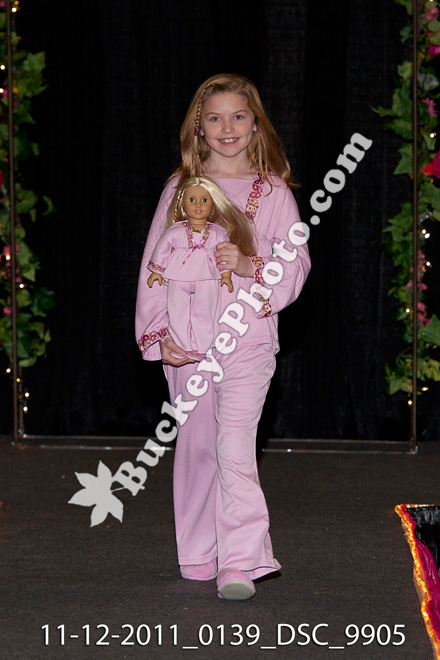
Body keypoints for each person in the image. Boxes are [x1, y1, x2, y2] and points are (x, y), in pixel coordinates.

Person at [135, 73, 311, 600]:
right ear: (199, 126)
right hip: (188, 344)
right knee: (196, 450)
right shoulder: (180, 190)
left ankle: (239, 562)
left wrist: (251, 263)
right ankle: (198, 555)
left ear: (255, 124)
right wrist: (156, 335)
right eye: (215, 117)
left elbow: (296, 263)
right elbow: (153, 269)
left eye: (238, 116)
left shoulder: (272, 191)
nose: (227, 127)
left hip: (247, 340)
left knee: (234, 447)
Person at [146, 176, 254, 360]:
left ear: (213, 205)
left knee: (205, 311)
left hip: (207, 277)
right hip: (179, 276)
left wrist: (226, 275)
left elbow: (224, 254)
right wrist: (157, 270)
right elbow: (162, 248)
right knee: (177, 310)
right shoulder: (176, 231)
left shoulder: (218, 232)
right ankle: (182, 345)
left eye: (204, 200)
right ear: (182, 204)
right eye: (191, 200)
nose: (198, 205)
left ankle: (204, 347)